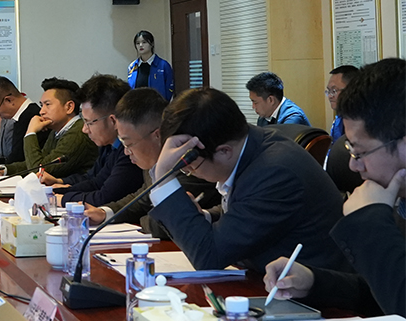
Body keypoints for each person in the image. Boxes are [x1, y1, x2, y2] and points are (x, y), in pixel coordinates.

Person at [148, 87, 348, 274]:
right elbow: (245, 211)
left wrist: (163, 177)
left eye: (191, 166)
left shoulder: (275, 173)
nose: (189, 172)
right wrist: (206, 217)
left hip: (314, 295)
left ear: (224, 151)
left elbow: (209, 256)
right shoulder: (250, 144)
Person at [265, 57, 405, 317]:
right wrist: (313, 282)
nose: (353, 165)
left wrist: (371, 222)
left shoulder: (382, 204)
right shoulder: (397, 200)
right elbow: (382, 291)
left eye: (360, 152)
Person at [82, 88, 216, 229]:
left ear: (157, 135)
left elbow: (161, 224)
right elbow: (141, 200)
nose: (126, 152)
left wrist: (144, 219)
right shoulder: (151, 162)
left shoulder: (188, 165)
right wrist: (104, 213)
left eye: (129, 144)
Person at [43, 75, 142, 207]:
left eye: (89, 122)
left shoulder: (130, 152)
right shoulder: (109, 146)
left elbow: (104, 197)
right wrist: (56, 190)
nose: (84, 129)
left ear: (113, 121)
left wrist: (61, 199)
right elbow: (95, 182)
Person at [6, 78, 97, 179]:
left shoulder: (78, 134)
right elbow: (37, 163)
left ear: (69, 107)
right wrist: (4, 170)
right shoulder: (56, 131)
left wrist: (30, 133)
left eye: (47, 104)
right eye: (42, 105)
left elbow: (39, 171)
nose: (41, 111)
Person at [0, 77, 41, 168]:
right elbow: (17, 158)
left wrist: (3, 168)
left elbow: (25, 160)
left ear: (9, 100)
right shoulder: (20, 117)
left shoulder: (31, 116)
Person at [127, 30, 174, 102]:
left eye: (144, 42)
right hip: (136, 105)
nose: (141, 45)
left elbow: (169, 88)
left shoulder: (163, 65)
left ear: (151, 44)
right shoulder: (132, 66)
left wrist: (163, 104)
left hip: (156, 106)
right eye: (138, 43)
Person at [325, 64, 359, 141]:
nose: (330, 96)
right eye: (329, 91)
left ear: (351, 90)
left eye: (334, 90)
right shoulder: (339, 119)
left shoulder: (364, 122)